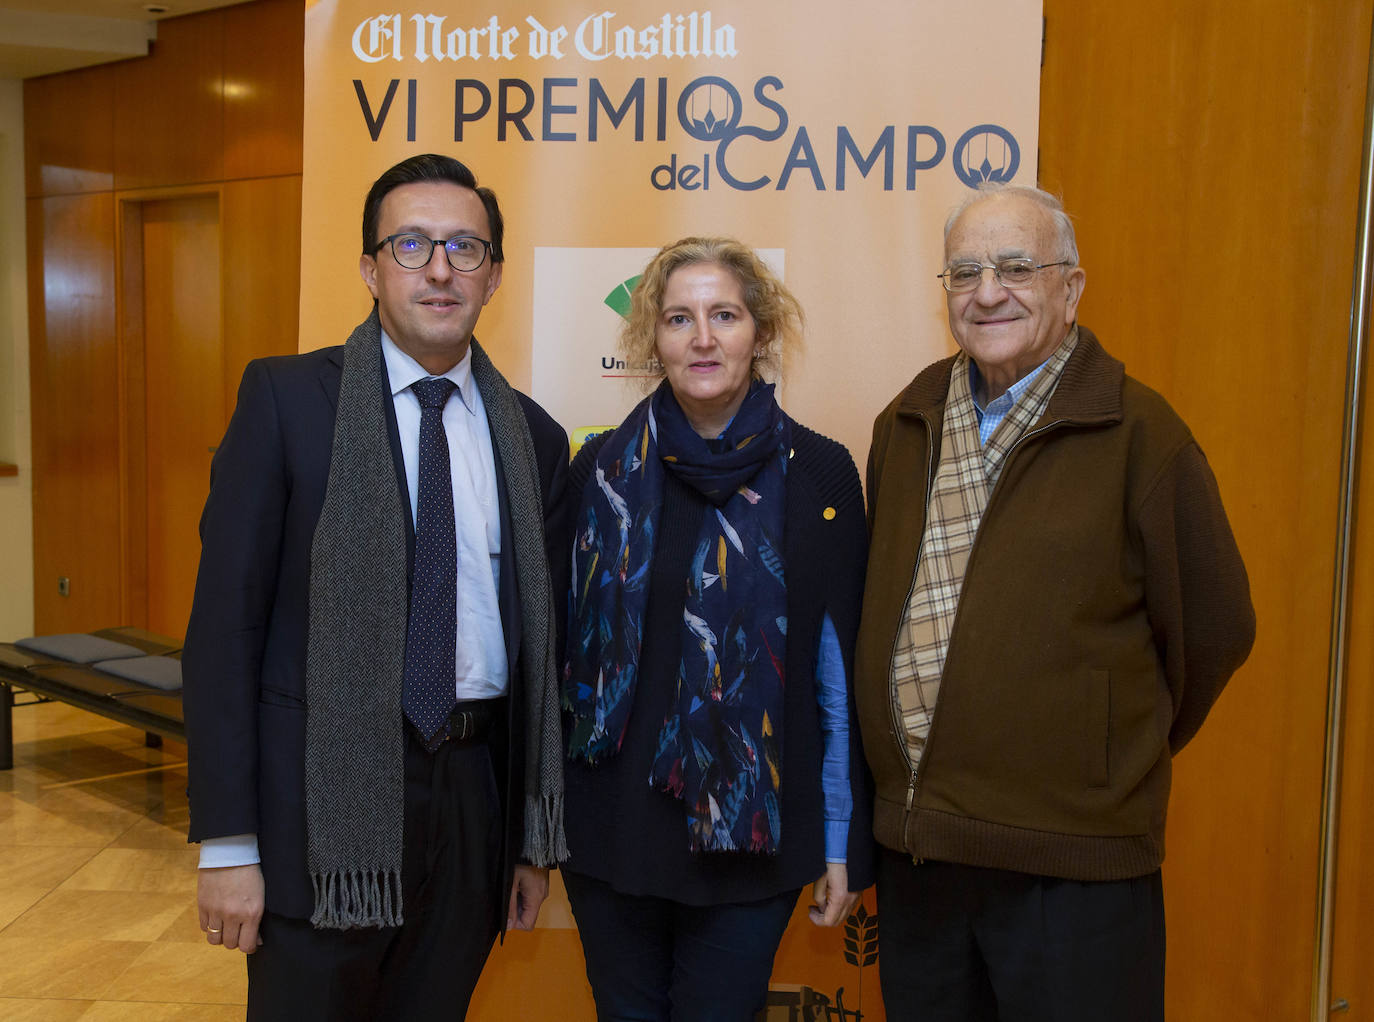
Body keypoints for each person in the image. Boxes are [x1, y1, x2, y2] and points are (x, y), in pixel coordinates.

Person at [182, 153, 570, 1021]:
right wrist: (228, 844)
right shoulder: (286, 401)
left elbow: (545, 653)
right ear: (369, 267)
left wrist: (525, 847)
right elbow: (223, 636)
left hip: (475, 801)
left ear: (494, 275)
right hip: (320, 805)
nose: (440, 268)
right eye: (411, 244)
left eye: (465, 248)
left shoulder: (533, 440)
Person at [855, 183, 1256, 1021]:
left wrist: (1106, 747)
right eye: (964, 272)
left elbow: (1215, 629)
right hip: (923, 862)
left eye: (1014, 267)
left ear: (1071, 289)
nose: (987, 291)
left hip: (1074, 875)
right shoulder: (907, 421)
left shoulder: (1143, 435)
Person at [561, 237, 875, 1021]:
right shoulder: (597, 471)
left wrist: (840, 837)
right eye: (679, 318)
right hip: (610, 832)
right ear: (653, 340)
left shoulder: (821, 473)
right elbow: (556, 659)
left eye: (724, 315)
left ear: (759, 333)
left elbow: (836, 680)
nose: (702, 338)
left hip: (753, 834)